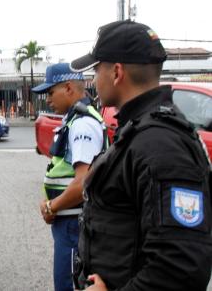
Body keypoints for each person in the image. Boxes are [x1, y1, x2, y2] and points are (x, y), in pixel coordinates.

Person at [70, 20, 212, 290]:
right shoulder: (139, 130)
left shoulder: (160, 144)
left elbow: (181, 268)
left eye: (97, 68)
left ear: (116, 72)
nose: (94, 79)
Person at [31, 63, 107, 291]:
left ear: (68, 88)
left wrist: (51, 207)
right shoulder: (74, 118)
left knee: (68, 283)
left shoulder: (82, 123)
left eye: (50, 92)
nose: (47, 99)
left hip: (75, 221)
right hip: (69, 220)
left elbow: (83, 182)